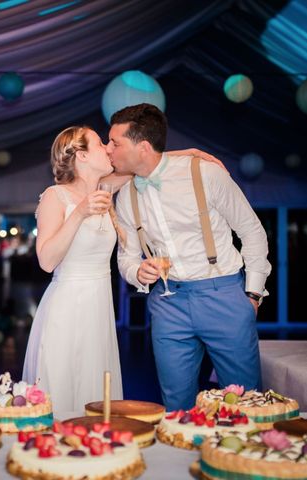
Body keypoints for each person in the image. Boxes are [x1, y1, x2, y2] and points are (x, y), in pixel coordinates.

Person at [22, 124, 221, 412]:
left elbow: (148, 162)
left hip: (99, 309)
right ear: (81, 156)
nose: (107, 148)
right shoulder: (56, 196)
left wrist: (188, 152)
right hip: (67, 307)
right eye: (100, 144)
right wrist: (79, 213)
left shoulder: (107, 188)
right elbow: (47, 260)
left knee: (95, 393)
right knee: (65, 389)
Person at [109, 103, 271, 411]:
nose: (108, 150)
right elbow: (125, 257)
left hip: (223, 293)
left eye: (115, 143)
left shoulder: (206, 173)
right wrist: (136, 272)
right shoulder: (126, 195)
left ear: (142, 147)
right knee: (176, 406)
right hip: (168, 304)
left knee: (246, 402)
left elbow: (252, 231)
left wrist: (253, 292)